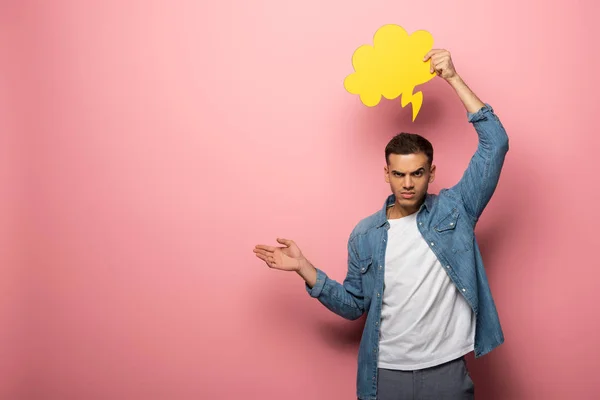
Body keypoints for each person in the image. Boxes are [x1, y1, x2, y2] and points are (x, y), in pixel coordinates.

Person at [253, 49, 509, 400]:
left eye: (417, 173)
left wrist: (452, 77)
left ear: (430, 173)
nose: (408, 184)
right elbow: (354, 306)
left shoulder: (456, 209)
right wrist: (305, 269)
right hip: (385, 374)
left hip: (446, 371)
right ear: (386, 174)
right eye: (399, 174)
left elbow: (495, 143)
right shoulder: (366, 235)